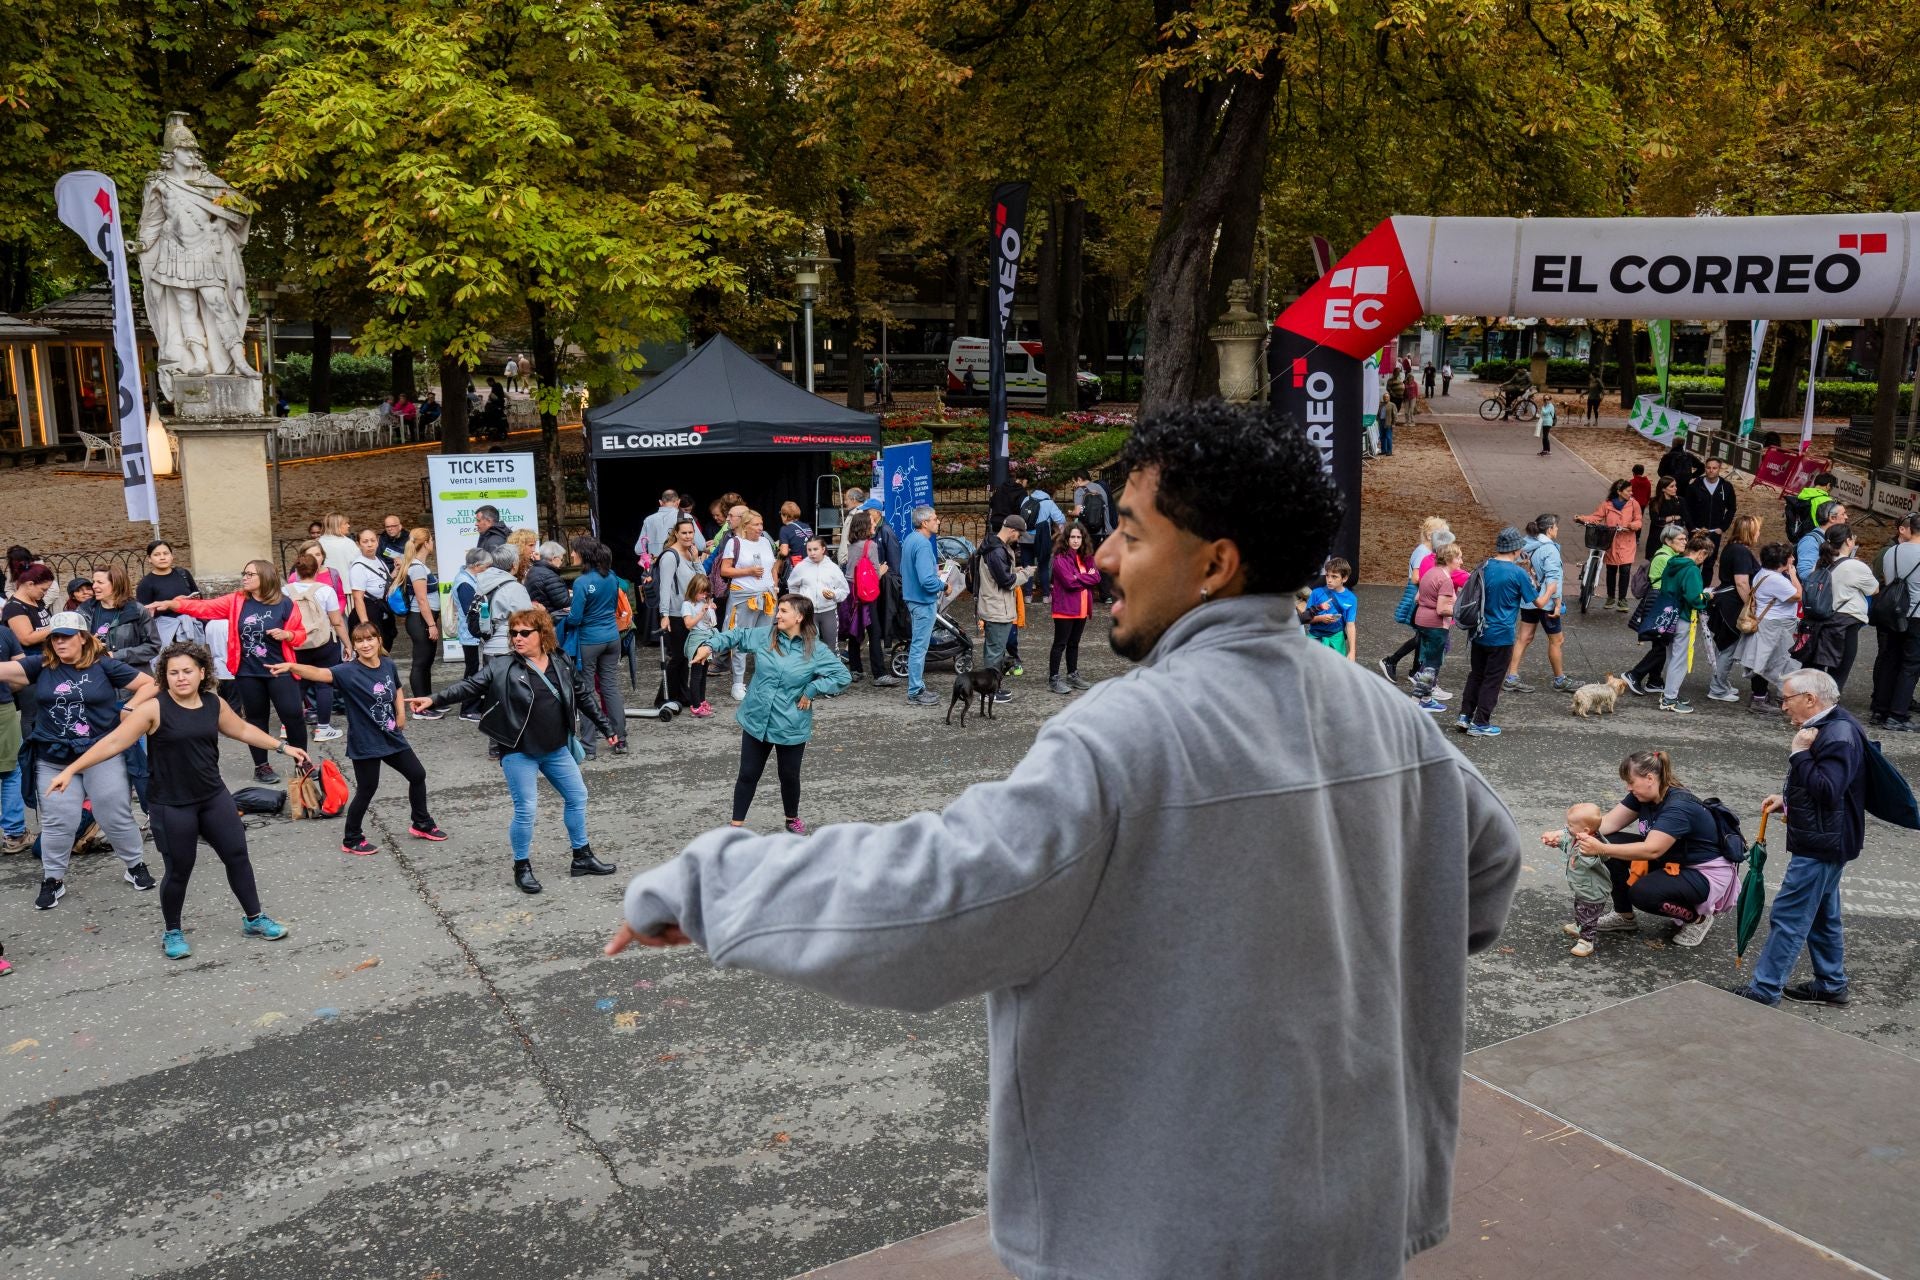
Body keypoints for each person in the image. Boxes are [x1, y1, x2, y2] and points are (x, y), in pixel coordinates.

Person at [608, 401, 1524, 1280]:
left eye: (1131, 531)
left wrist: (708, 882)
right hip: (1357, 1203)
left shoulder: (1124, 735)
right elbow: (1487, 870)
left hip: (1176, 1227)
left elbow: (937, 904)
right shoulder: (1387, 714)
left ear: (1215, 564)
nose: (1107, 555)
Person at [62, 640, 294, 956]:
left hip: (213, 797)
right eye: (173, 673)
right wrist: (71, 770)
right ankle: (172, 931)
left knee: (238, 856)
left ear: (202, 673)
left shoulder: (214, 704)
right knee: (179, 870)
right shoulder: (154, 708)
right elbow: (114, 742)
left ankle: (254, 918)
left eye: (187, 671)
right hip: (171, 805)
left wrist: (282, 747)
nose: (181, 677)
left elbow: (241, 730)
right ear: (165, 676)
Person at [410, 608, 618, 893]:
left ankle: (581, 857)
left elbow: (583, 696)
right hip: (519, 750)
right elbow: (469, 686)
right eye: (513, 633)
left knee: (577, 796)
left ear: (542, 634)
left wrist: (607, 728)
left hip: (556, 748)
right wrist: (433, 699)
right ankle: (522, 867)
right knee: (526, 809)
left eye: (524, 633)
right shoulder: (502, 665)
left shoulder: (561, 661)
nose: (517, 638)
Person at [0, 613, 159, 911]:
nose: (59, 642)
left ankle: (135, 864)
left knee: (113, 810)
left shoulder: (105, 666)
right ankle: (53, 879)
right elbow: (5, 669)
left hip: (101, 754)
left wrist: (131, 707)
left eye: (65, 636)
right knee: (59, 820)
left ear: (82, 638)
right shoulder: (42, 666)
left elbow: (150, 683)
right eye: (54, 637)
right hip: (54, 757)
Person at [1738, 670, 1867, 1007]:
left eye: (1787, 699)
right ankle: (1831, 984)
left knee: (1790, 916)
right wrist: (1790, 801)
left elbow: (1828, 790)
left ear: (1810, 699)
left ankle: (1764, 990)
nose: (1783, 707)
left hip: (1822, 844)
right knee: (1823, 915)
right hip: (1829, 840)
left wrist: (1799, 754)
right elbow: (1832, 787)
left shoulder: (1837, 734)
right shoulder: (1836, 726)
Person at [273, 624, 446, 855]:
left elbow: (396, 688)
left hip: (391, 735)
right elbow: (319, 673)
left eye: (369, 639)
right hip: (366, 740)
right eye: (359, 641)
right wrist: (292, 665)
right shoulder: (348, 672)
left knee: (417, 775)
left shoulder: (388, 664)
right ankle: (351, 838)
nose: (365, 645)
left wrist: (401, 715)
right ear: (354, 645)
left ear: (378, 640)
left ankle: (421, 823)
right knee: (367, 789)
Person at [689, 594, 850, 833]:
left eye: (784, 611)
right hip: (756, 718)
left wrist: (813, 688)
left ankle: (791, 818)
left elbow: (842, 677)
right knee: (747, 774)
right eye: (779, 610)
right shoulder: (766, 635)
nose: (778, 615)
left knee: (789, 776)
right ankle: (736, 827)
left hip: (791, 723)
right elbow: (737, 635)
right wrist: (709, 645)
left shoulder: (815, 650)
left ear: (799, 616)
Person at [1573, 750, 1739, 948]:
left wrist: (1600, 849)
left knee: (1642, 893)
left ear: (1650, 778)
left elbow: (1652, 850)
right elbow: (1606, 825)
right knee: (1609, 840)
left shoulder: (1679, 807)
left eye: (1631, 782)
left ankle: (1697, 920)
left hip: (1704, 873)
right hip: (1673, 861)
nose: (1628, 787)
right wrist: (1567, 834)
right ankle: (1624, 916)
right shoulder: (1643, 795)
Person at [171, 561, 310, 782]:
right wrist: (175, 604)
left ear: (264, 576)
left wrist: (288, 635)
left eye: (249, 574)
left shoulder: (285, 604)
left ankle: (303, 763)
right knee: (256, 719)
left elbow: (301, 634)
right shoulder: (237, 601)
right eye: (243, 573)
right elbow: (205, 607)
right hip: (248, 671)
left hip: (280, 669)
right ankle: (261, 766)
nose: (244, 577)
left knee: (293, 716)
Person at [1456, 526, 1535, 737]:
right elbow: (1535, 600)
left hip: (1479, 631)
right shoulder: (1518, 573)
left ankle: (1465, 715)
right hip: (1502, 635)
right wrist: (1552, 589)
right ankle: (1481, 722)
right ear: (1516, 549)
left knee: (1476, 674)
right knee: (1493, 679)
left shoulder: (1484, 566)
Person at [565, 537, 626, 755]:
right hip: (612, 637)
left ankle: (589, 746)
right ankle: (620, 741)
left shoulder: (581, 582)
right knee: (610, 688)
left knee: (587, 691)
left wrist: (566, 616)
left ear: (584, 555)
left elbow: (575, 618)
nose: (572, 555)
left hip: (589, 641)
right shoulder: (611, 577)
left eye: (574, 551)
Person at [716, 509, 781, 703]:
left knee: (765, 640)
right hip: (744, 597)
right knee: (741, 639)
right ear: (745, 525)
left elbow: (772, 567)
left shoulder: (766, 542)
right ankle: (737, 683)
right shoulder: (734, 543)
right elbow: (725, 570)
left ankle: (762, 682)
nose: (760, 528)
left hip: (767, 596)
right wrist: (749, 571)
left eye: (761, 524)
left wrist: (775, 586)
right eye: (756, 525)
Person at [285, 552, 351, 741]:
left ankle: (286, 725)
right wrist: (347, 645)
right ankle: (323, 727)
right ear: (316, 570)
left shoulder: (285, 591)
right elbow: (337, 622)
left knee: (297, 684)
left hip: (295, 643)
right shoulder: (325, 590)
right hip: (323, 643)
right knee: (324, 685)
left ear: (296, 570)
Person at [1504, 515, 1574, 694]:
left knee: (1523, 637)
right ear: (1549, 529)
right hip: (1546, 602)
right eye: (1556, 527)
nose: (1557, 530)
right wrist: (1557, 604)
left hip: (1528, 600)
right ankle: (1560, 679)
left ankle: (1511, 676)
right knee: (1557, 640)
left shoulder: (1524, 545)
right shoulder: (1550, 550)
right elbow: (1553, 579)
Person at [1732, 542, 1802, 713]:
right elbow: (1798, 595)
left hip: (1766, 623)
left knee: (1762, 659)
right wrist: (1793, 575)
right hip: (1775, 626)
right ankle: (1759, 699)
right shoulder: (1777, 580)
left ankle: (1761, 696)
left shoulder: (1763, 573)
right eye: (1790, 557)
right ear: (1782, 561)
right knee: (1767, 662)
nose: (1793, 559)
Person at [1805, 525, 1876, 692]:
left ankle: (1811, 706)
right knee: (1839, 672)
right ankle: (1829, 707)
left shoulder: (1819, 563)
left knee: (1815, 670)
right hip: (1845, 623)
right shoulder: (1855, 566)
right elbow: (1874, 589)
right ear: (1848, 541)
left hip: (1818, 621)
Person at [1650, 532, 1714, 714]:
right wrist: (1707, 596)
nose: (1703, 561)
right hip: (1684, 616)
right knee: (1680, 659)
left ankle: (1669, 693)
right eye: (1705, 557)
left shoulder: (1673, 562)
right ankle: (1670, 698)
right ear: (1701, 553)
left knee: (1672, 656)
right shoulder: (1692, 569)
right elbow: (1695, 598)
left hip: (1669, 614)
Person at [1380, 517, 1450, 684]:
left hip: (1422, 595)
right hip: (1418, 596)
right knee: (1423, 635)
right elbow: (1416, 578)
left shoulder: (1428, 552)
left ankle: (1413, 670)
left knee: (1422, 635)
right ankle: (1391, 661)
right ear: (1429, 535)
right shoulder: (1422, 553)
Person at [1623, 524, 1689, 697]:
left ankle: (1654, 680)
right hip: (1659, 601)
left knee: (1660, 643)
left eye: (1685, 538)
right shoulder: (1666, 558)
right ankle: (1634, 674)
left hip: (1660, 600)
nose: (1685, 542)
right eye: (1680, 539)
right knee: (1661, 645)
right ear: (1668, 540)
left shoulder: (1669, 555)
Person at [1706, 514, 1763, 703]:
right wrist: (1751, 604)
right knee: (1728, 648)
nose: (1759, 533)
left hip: (1725, 600)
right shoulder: (1741, 551)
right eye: (1757, 529)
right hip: (1732, 604)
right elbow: (1741, 582)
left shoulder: (1733, 548)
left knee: (1724, 647)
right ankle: (1717, 687)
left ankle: (1720, 683)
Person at [1871, 514, 1920, 730]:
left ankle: (1880, 709)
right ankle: (1898, 714)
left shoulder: (1892, 551)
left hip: (1892, 613)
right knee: (1910, 665)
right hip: (1916, 614)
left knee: (1890, 659)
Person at [1542, 803, 1608, 957]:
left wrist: (1585, 853)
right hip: (1583, 887)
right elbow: (1569, 849)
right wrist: (1558, 842)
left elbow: (1588, 861)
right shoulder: (1578, 838)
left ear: (1585, 830)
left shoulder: (1591, 846)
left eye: (1570, 825)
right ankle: (1579, 925)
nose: (1567, 827)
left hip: (1593, 890)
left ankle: (1586, 940)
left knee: (1589, 915)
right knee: (1579, 907)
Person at [977, 515, 1034, 690]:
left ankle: (990, 689)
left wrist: (1013, 570)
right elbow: (1006, 582)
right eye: (1019, 534)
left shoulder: (994, 546)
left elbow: (998, 574)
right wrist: (1026, 574)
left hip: (993, 606)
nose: (1019, 539)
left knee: (994, 651)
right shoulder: (997, 551)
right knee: (995, 653)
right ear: (1012, 531)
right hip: (997, 609)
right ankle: (991, 690)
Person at [389, 528, 442, 712]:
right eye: (432, 540)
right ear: (426, 543)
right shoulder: (418, 568)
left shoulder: (415, 564)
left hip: (422, 619)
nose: (433, 544)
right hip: (420, 620)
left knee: (426, 662)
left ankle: (428, 701)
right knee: (420, 663)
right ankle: (420, 707)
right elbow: (421, 600)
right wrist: (431, 625)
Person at [838, 510, 893, 686]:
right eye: (872, 522)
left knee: (855, 631)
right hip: (866, 593)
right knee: (874, 631)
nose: (875, 525)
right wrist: (883, 571)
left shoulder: (852, 544)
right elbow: (875, 574)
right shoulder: (871, 545)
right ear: (865, 526)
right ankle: (879, 674)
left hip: (851, 591)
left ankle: (855, 669)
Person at [652, 520, 702, 710]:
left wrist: (696, 560)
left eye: (691, 532)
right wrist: (664, 614)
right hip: (674, 613)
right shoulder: (670, 556)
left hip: (688, 611)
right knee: (678, 657)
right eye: (684, 533)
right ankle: (663, 698)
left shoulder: (690, 552)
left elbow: (702, 581)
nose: (689, 536)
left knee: (685, 656)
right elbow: (664, 587)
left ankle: (681, 694)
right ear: (676, 534)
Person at [1410, 543, 1464, 712]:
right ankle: (1416, 701)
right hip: (1436, 625)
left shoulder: (1429, 573)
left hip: (1421, 620)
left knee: (1426, 661)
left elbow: (1417, 598)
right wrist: (1460, 612)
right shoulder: (1446, 580)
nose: (1461, 562)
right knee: (1432, 665)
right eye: (1459, 557)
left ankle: (1426, 698)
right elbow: (1442, 609)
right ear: (1449, 559)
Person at [1047, 522, 1100, 695]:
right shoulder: (1060, 559)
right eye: (1073, 537)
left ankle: (1072, 674)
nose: (1076, 540)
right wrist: (1085, 577)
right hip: (1065, 608)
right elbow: (1069, 583)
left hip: (1082, 608)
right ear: (1067, 539)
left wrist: (1078, 576)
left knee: (1074, 644)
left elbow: (1097, 578)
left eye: (1079, 537)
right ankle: (1054, 678)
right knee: (1060, 644)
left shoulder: (1087, 557)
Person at [901, 505, 945, 706]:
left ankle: (916, 688)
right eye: (935, 519)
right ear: (925, 522)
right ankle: (915, 691)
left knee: (917, 646)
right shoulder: (924, 544)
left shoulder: (911, 539)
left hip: (913, 598)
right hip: (922, 601)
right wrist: (943, 585)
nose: (938, 521)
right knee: (919, 648)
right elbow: (927, 580)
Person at [1577, 480, 1641, 609]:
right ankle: (1610, 597)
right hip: (1611, 540)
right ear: (1619, 491)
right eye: (1628, 491)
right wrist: (1581, 518)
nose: (1631, 493)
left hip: (1627, 541)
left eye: (1631, 490)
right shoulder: (1607, 505)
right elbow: (1596, 517)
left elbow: (1638, 520)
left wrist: (1632, 526)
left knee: (1625, 569)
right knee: (1611, 569)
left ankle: (1622, 599)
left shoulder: (1634, 504)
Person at [787, 536, 848, 658]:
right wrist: (799, 604)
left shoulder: (833, 568)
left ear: (823, 549)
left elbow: (844, 590)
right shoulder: (801, 567)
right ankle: (811, 676)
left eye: (815, 549)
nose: (812, 553)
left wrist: (834, 595)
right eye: (809, 550)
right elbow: (792, 587)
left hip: (829, 612)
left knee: (831, 649)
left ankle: (831, 675)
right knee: (809, 648)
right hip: (808, 614)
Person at [634, 489, 682, 637]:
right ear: (678, 502)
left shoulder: (649, 520)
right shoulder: (684, 517)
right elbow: (700, 545)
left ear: (660, 503)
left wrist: (651, 552)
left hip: (655, 566)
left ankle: (656, 636)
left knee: (656, 597)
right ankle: (674, 635)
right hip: (678, 564)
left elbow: (638, 549)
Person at [1683, 457, 1736, 581]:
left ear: (1719, 469)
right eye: (1708, 468)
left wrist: (1723, 527)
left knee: (1709, 564)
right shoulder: (1694, 486)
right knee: (1693, 563)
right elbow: (1686, 509)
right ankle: (1690, 591)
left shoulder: (1726, 487)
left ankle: (1704, 593)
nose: (1711, 470)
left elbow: (1732, 508)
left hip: (1714, 533)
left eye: (1714, 468)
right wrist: (1691, 527)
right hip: (1697, 531)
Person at [346, 527, 396, 651]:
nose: (370, 544)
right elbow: (358, 597)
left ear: (377, 542)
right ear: (358, 544)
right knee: (374, 649)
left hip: (382, 607)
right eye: (365, 541)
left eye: (373, 540)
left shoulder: (379, 560)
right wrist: (365, 625)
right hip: (368, 610)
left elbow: (386, 581)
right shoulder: (358, 566)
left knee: (385, 644)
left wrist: (397, 569)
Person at [1303, 557, 1358, 658]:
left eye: (1334, 576)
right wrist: (1321, 618)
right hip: (1315, 638)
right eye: (1327, 575)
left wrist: (1352, 651)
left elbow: (1350, 625)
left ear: (1344, 578)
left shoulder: (1351, 598)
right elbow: (1305, 618)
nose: (1329, 580)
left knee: (1336, 671)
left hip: (1336, 639)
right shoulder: (1316, 593)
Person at [680, 574, 717, 717]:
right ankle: (695, 706)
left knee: (703, 674)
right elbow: (688, 624)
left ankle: (701, 701)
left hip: (708, 638)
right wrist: (702, 613)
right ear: (693, 589)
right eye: (701, 592)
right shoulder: (687, 604)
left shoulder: (704, 602)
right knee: (696, 674)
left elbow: (712, 623)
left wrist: (711, 610)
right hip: (696, 640)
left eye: (705, 592)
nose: (703, 595)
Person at [524, 541, 571, 650]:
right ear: (554, 558)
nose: (562, 562)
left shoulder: (535, 570)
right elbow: (563, 602)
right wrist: (573, 595)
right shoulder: (549, 574)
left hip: (539, 618)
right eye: (562, 558)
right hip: (551, 621)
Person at [5, 563, 55, 652]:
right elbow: (27, 639)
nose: (45, 593)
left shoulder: (37, 600)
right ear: (30, 584)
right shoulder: (14, 608)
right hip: (33, 660)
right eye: (44, 589)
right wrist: (57, 627)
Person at [1796, 500, 1849, 580]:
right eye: (1843, 514)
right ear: (1832, 518)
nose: (1846, 517)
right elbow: (1805, 574)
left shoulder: (1834, 537)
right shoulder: (1810, 542)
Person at [1641, 475, 1685, 563]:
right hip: (1657, 539)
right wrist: (1673, 517)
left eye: (1675, 486)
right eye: (1671, 486)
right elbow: (1656, 520)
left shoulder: (1679, 501)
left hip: (1674, 539)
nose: (1675, 488)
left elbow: (1683, 518)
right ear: (1663, 489)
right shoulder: (1654, 502)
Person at [315, 515, 360, 586]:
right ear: (337, 526)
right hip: (345, 588)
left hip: (322, 588)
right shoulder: (348, 543)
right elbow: (358, 565)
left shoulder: (318, 543)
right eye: (346, 523)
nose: (349, 526)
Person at [776, 500, 813, 567]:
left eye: (781, 513)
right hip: (811, 561)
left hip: (797, 565)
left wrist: (778, 553)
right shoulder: (807, 526)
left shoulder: (784, 529)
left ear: (785, 516)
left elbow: (784, 552)